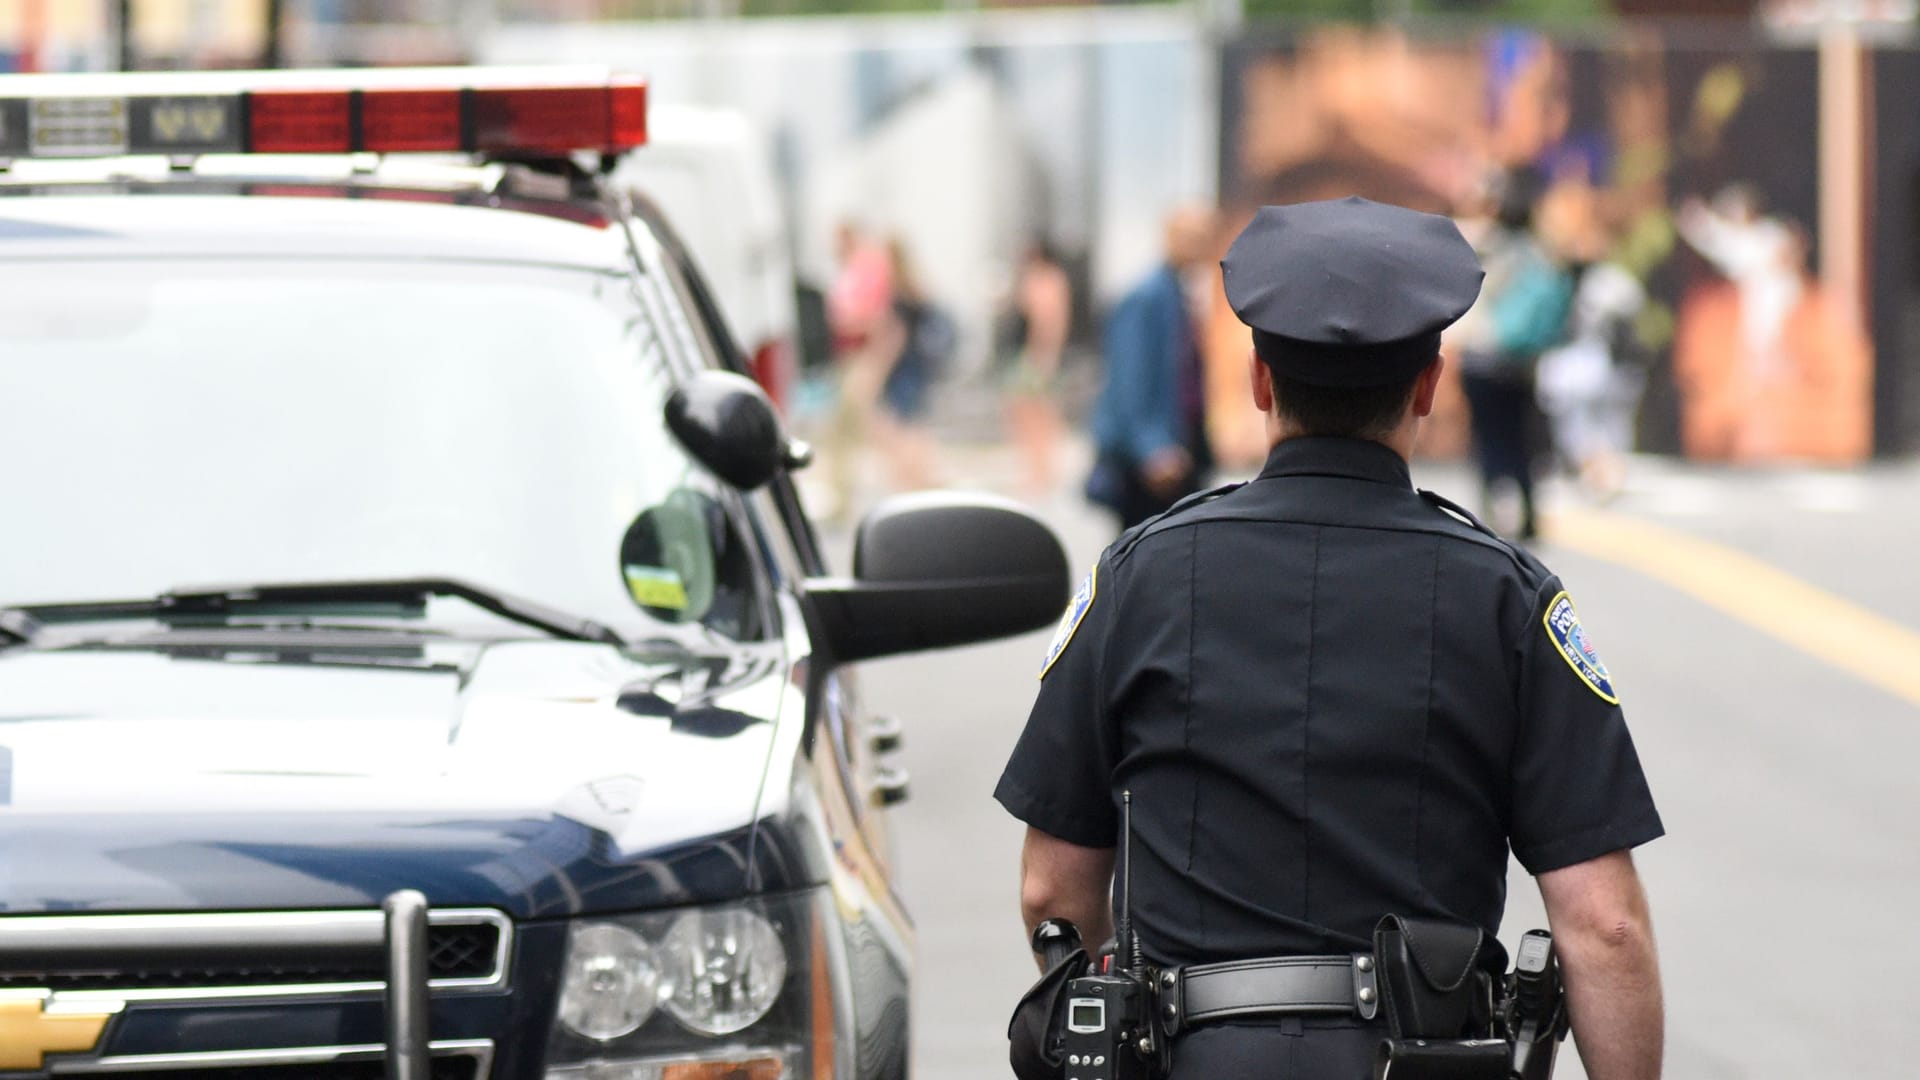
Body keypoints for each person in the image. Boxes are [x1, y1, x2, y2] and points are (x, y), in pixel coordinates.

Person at [997, 197, 1664, 1079]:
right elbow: (1606, 927)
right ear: (1428, 387)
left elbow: (1053, 889)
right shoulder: (1509, 599)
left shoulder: (1140, 579)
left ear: (1260, 382)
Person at [1452, 167, 1571, 540]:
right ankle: (1529, 514)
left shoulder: (1484, 247)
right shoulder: (1542, 257)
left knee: (1487, 439)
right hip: (1520, 365)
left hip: (1481, 358)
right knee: (1522, 440)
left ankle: (1487, 516)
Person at [1086, 207, 1215, 532]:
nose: (1201, 245)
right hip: (1154, 456)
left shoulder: (1176, 293)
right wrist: (1152, 447)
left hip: (1180, 442)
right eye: (1192, 237)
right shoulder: (1146, 298)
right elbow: (1130, 377)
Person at [870, 235, 950, 491]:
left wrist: (879, 370)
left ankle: (911, 480)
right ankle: (921, 477)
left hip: (902, 367)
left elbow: (894, 336)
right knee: (912, 424)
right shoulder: (916, 287)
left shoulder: (897, 292)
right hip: (917, 365)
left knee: (900, 426)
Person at [1000, 238, 1074, 500]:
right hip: (1027, 353)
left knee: (1036, 413)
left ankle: (1041, 470)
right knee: (1026, 412)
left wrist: (1044, 357)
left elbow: (1049, 321)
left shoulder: (1047, 280)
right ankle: (1036, 469)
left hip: (1034, 355)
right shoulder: (1036, 279)